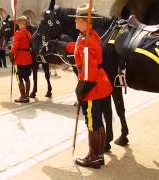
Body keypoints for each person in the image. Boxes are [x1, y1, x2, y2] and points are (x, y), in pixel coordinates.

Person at [52, 3, 113, 169]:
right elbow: (82, 49)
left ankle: (93, 157)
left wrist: (81, 91)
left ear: (86, 21)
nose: (75, 22)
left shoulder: (86, 40)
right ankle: (99, 156)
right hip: (100, 84)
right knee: (98, 121)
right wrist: (66, 46)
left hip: (92, 87)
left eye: (78, 19)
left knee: (92, 122)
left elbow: (89, 72)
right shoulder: (88, 36)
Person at [10, 16, 33, 103]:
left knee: (19, 78)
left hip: (20, 59)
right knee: (27, 78)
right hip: (28, 58)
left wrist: (11, 53)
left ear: (20, 23)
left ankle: (23, 97)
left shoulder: (18, 33)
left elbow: (14, 47)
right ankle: (27, 95)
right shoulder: (28, 33)